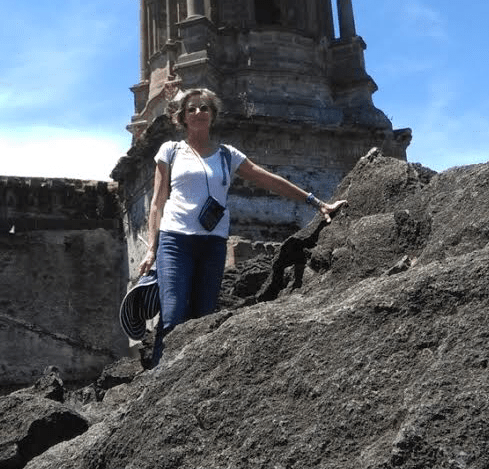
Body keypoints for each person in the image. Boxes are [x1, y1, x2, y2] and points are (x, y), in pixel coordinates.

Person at [138, 87, 347, 349]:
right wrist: (150, 249)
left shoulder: (227, 154)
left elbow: (267, 179)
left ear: (213, 115)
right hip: (175, 241)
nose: (198, 112)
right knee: (172, 316)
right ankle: (159, 382)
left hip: (212, 243)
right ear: (182, 117)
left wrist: (315, 202)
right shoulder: (170, 150)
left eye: (204, 107)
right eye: (191, 109)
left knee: (202, 320)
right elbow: (157, 203)